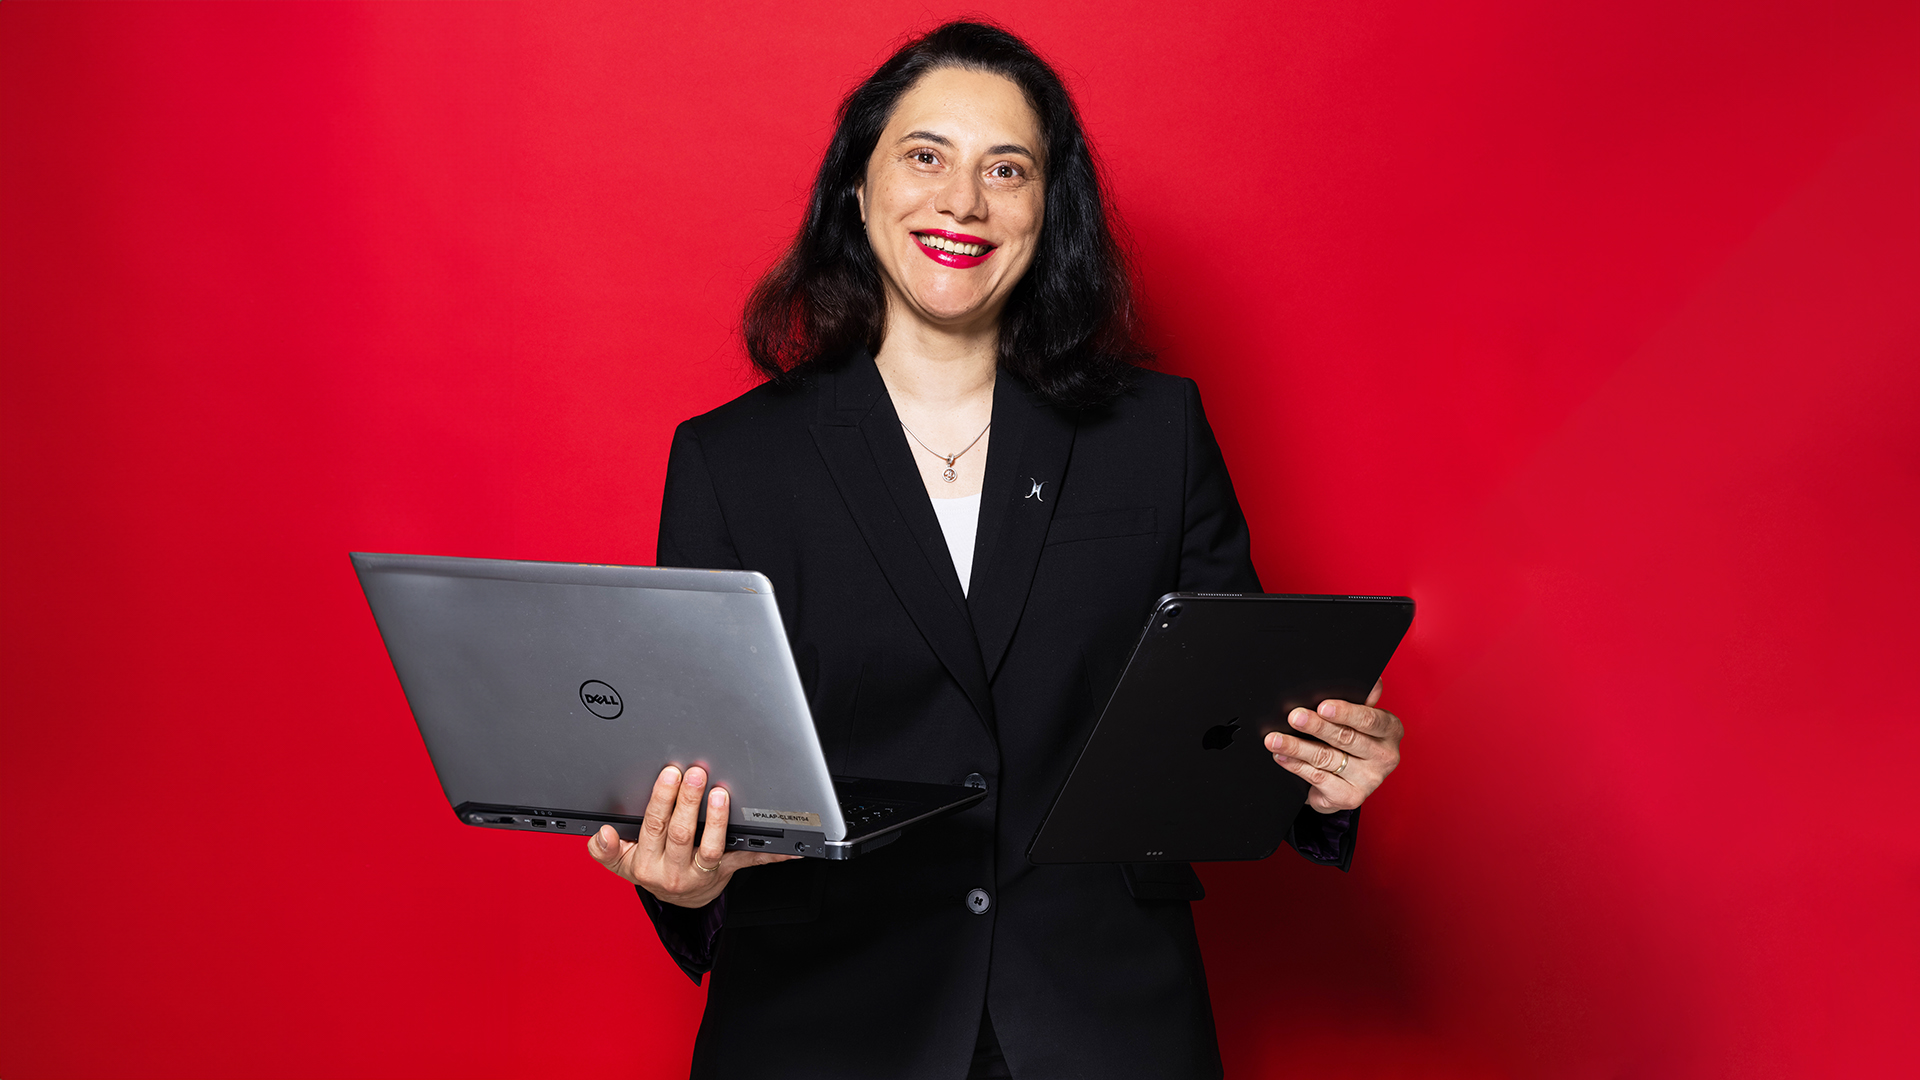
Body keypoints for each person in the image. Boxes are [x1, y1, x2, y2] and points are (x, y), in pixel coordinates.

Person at [585, 21, 1405, 1079]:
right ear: (859, 189)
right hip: (821, 1024)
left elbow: (1225, 721)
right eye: (924, 156)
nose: (962, 201)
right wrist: (681, 878)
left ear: (1044, 209)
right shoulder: (731, 461)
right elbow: (699, 772)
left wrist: (1321, 771)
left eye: (1005, 169)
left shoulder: (1157, 433)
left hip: (1105, 1021)